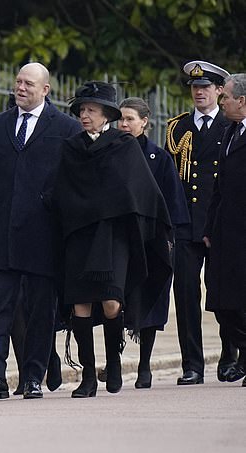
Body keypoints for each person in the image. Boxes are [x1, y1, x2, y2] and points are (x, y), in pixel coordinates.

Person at [0, 62, 82, 400]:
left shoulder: (65, 128)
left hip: (43, 235)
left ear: (45, 90)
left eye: (29, 83)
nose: (21, 88)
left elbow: (75, 181)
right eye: (18, 82)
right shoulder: (0, 124)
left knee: (39, 311)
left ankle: (33, 376)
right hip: (2, 233)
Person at [52, 81, 172, 397]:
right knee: (79, 303)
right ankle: (88, 375)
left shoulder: (123, 145)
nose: (84, 115)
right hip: (79, 235)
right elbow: (62, 191)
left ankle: (114, 361)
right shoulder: (72, 147)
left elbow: (140, 191)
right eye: (81, 110)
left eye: (91, 110)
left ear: (106, 114)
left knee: (110, 302)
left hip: (113, 237)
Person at [166, 60, 241, 385]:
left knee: (224, 293)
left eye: (206, 88)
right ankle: (192, 364)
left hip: (220, 225)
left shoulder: (230, 126)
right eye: (195, 88)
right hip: (185, 223)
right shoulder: (177, 128)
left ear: (219, 90)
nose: (199, 93)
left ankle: (229, 358)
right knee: (185, 296)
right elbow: (172, 180)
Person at [116, 97, 190, 388]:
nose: (124, 124)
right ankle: (114, 360)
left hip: (151, 241)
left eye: (130, 119)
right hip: (118, 238)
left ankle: (144, 363)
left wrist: (170, 240)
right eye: (120, 119)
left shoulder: (159, 157)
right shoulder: (109, 152)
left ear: (144, 122)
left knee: (150, 299)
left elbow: (172, 202)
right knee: (115, 300)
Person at [203, 73, 246, 387]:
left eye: (226, 97)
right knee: (220, 301)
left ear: (242, 101)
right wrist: (209, 226)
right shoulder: (229, 131)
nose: (222, 102)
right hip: (225, 230)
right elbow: (218, 187)